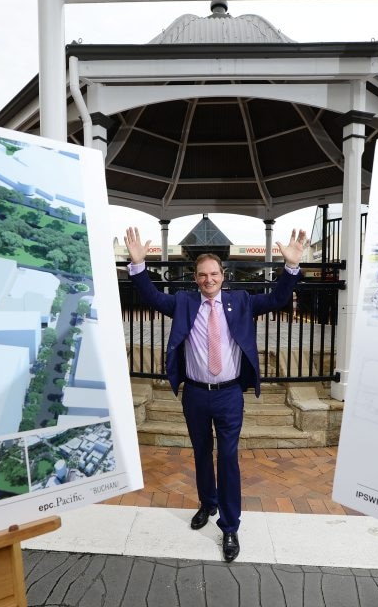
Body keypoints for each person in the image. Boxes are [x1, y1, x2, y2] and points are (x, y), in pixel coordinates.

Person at [124, 226, 306, 562]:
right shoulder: (183, 302)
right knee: (201, 452)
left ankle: (230, 524)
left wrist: (290, 267)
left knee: (228, 457)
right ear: (195, 278)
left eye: (214, 274)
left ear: (223, 276)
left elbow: (279, 299)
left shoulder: (242, 301)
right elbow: (152, 297)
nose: (209, 280)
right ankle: (207, 503)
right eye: (202, 275)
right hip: (194, 394)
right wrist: (137, 265)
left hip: (228, 395)